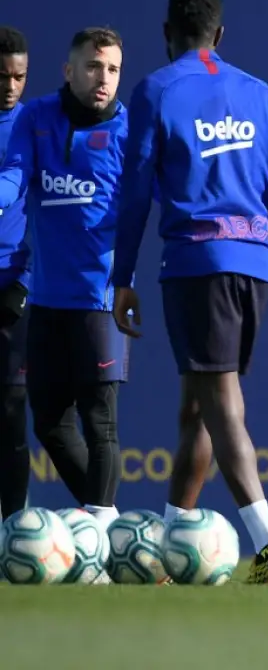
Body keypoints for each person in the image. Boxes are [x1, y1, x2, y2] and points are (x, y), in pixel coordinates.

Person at [111, 0, 268, 584]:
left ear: (167, 33)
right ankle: (174, 539)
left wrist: (120, 278)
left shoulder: (156, 89)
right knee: (195, 407)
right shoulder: (260, 93)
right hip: (258, 265)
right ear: (219, 36)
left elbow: (136, 194)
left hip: (199, 263)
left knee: (219, 400)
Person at [0, 27, 129, 529]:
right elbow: (16, 174)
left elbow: (151, 200)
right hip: (47, 303)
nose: (104, 79)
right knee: (51, 424)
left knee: (101, 423)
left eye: (114, 69)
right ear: (69, 70)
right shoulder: (35, 119)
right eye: (94, 67)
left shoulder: (128, 131)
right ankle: (114, 529)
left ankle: (103, 531)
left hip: (99, 300)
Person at [0, 26, 31, 519]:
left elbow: (18, 183)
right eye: (1, 76)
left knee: (10, 413)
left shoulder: (35, 124)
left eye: (18, 76)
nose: (9, 85)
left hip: (15, 289)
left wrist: (26, 282)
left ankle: (15, 528)